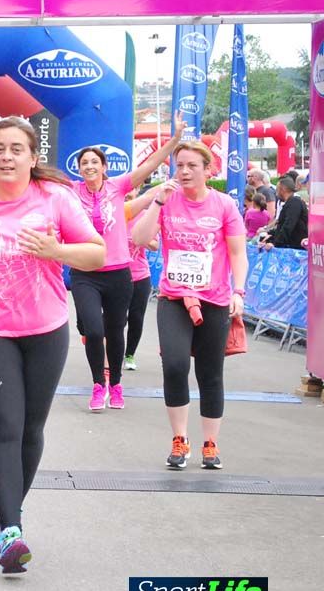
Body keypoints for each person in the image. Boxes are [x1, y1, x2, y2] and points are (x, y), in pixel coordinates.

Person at [0, 116, 104, 574]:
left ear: (32, 157)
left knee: (32, 429)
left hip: (46, 328)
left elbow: (97, 252)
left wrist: (58, 252)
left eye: (16, 149)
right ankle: (10, 529)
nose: (6, 157)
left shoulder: (55, 199)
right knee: (6, 427)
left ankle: (14, 508)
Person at [132, 141, 247, 471]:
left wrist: (238, 292)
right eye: (179, 165)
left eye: (191, 165)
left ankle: (210, 443)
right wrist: (157, 201)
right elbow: (139, 239)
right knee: (175, 365)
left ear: (208, 170)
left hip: (214, 299)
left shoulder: (223, 205)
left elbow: (238, 254)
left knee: (210, 373)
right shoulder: (166, 201)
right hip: (174, 298)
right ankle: (180, 439)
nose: (183, 171)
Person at [70, 112, 187, 412]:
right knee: (93, 331)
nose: (89, 167)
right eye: (84, 163)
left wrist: (174, 140)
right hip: (85, 272)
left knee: (114, 330)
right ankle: (98, 385)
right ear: (79, 169)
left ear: (103, 167)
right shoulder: (71, 192)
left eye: (94, 162)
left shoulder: (118, 187)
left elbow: (149, 165)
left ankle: (117, 384)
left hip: (119, 274)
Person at [123, 188, 160, 371]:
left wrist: (139, 239)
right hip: (117, 275)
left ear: (137, 192)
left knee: (136, 318)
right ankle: (113, 352)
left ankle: (130, 354)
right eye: (125, 193)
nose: (128, 195)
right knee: (116, 318)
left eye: (131, 192)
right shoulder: (115, 213)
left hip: (140, 275)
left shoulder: (146, 215)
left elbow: (155, 245)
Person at [261, 176, 308, 250]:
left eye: (277, 190)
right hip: (290, 246)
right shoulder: (289, 203)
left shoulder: (294, 202)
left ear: (283, 189)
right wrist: (270, 235)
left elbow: (288, 225)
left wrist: (275, 243)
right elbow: (282, 225)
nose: (276, 193)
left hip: (295, 247)